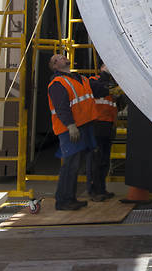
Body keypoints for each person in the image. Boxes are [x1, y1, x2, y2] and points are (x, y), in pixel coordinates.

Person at [47, 54, 109, 211]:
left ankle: (70, 198)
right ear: (55, 66)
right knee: (70, 164)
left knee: (76, 164)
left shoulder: (81, 79)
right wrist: (70, 125)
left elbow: (100, 90)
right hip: (71, 129)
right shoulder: (57, 83)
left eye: (62, 56)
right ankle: (63, 201)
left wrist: (105, 74)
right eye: (58, 58)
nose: (62, 57)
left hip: (85, 126)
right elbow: (61, 107)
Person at [86, 63, 120, 201]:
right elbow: (99, 89)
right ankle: (94, 191)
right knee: (96, 159)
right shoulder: (94, 80)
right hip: (96, 123)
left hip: (108, 124)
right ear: (101, 67)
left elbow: (118, 104)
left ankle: (102, 189)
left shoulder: (113, 85)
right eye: (107, 64)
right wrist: (113, 86)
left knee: (105, 159)